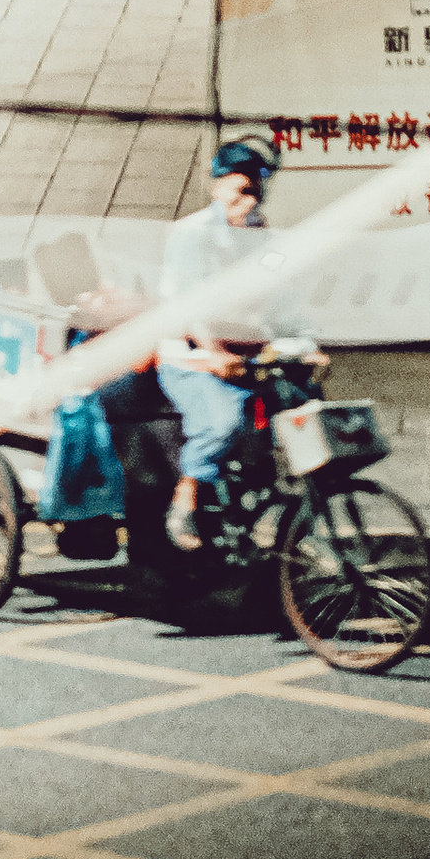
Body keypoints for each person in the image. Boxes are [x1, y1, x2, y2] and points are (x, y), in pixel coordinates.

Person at [156, 138, 279, 554]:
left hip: (243, 355)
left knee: (303, 404)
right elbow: (188, 306)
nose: (248, 203)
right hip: (189, 356)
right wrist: (212, 353)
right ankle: (185, 501)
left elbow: (284, 295)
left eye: (255, 194)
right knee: (223, 422)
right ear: (218, 187)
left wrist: (307, 342)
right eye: (240, 192)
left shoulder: (262, 237)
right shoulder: (190, 235)